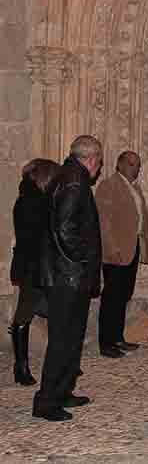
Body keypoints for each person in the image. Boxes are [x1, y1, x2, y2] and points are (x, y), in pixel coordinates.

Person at [33, 135, 103, 422]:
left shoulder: (69, 176)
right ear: (92, 158)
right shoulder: (75, 181)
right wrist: (84, 261)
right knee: (62, 340)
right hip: (68, 277)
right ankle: (46, 401)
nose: (99, 166)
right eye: (100, 160)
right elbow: (65, 230)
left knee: (71, 338)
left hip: (67, 275)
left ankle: (62, 392)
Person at [94, 151, 148, 357]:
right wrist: (111, 249)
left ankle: (118, 338)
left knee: (123, 296)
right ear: (119, 164)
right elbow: (103, 223)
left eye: (137, 164)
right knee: (111, 297)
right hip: (116, 251)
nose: (135, 168)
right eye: (131, 163)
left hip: (132, 248)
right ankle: (106, 343)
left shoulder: (133, 187)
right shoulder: (108, 186)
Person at [9, 159, 60, 386]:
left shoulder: (32, 199)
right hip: (33, 266)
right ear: (44, 178)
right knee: (25, 314)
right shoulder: (34, 202)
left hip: (35, 265)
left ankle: (29, 366)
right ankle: (21, 366)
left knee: (45, 313)